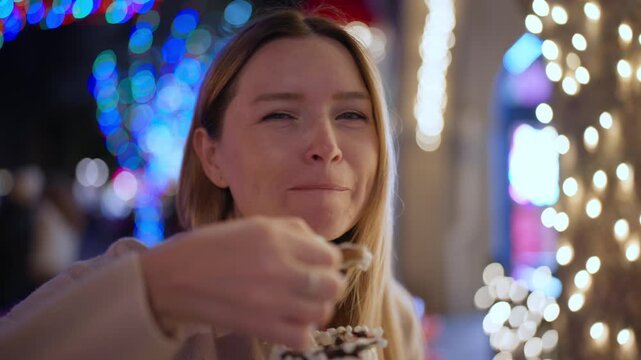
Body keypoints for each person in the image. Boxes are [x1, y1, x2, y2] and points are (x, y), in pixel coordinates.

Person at [0, 8, 424, 360]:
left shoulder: (396, 319)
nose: (326, 146)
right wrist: (158, 292)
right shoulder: (132, 288)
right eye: (280, 115)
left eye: (351, 115)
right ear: (212, 156)